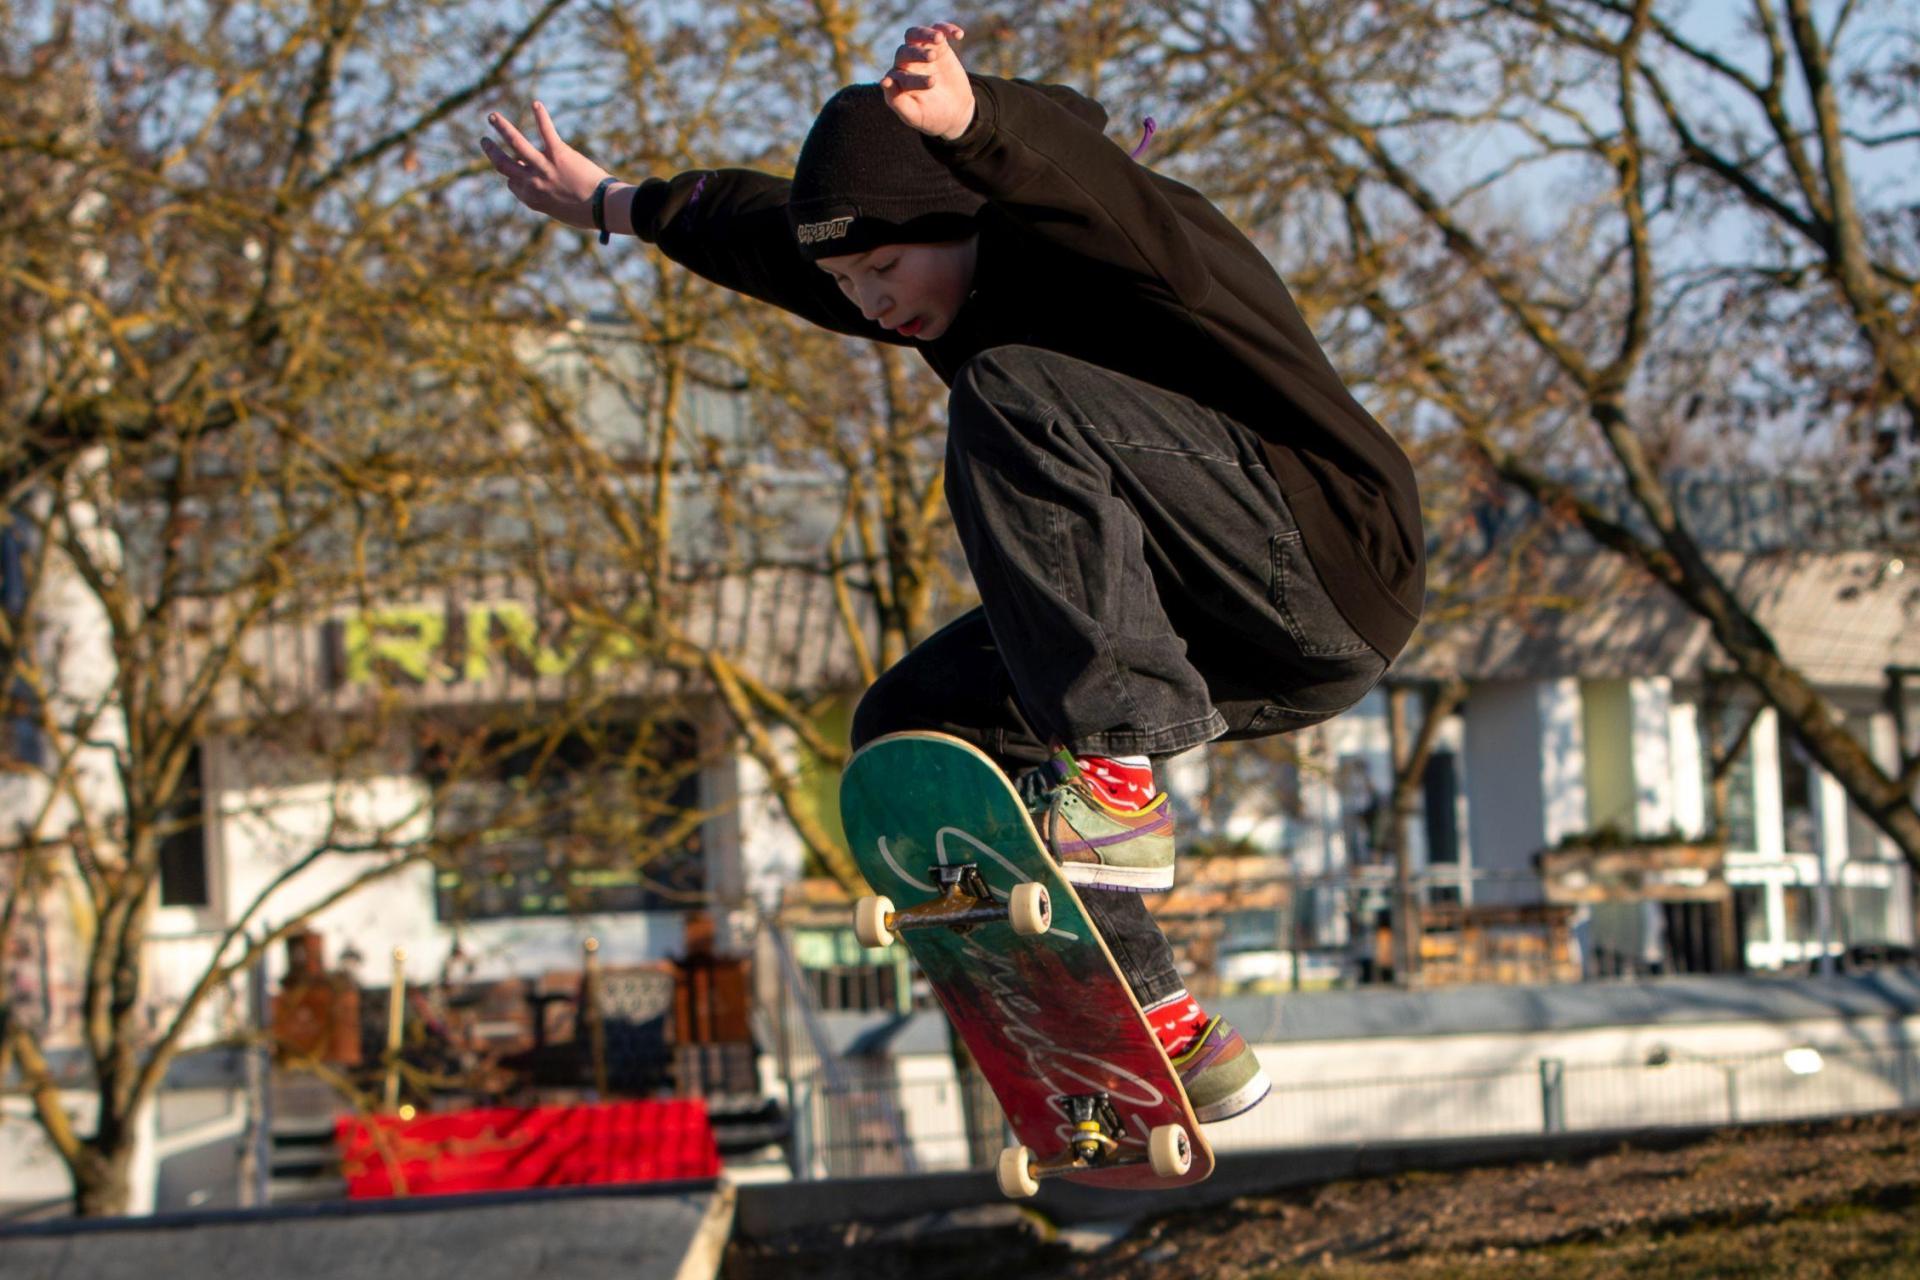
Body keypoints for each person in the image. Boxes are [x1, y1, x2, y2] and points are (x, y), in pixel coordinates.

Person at [482, 20, 1424, 1123]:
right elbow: (753, 227)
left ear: (965, 208)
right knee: (912, 727)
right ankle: (1162, 1024)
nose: (873, 305)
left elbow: (1098, 197)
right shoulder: (918, 277)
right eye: (850, 284)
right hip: (1236, 643)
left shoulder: (1108, 232)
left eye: (883, 270)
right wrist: (611, 200)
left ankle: (1118, 776)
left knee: (1006, 394)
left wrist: (980, 125)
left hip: (1327, 557)